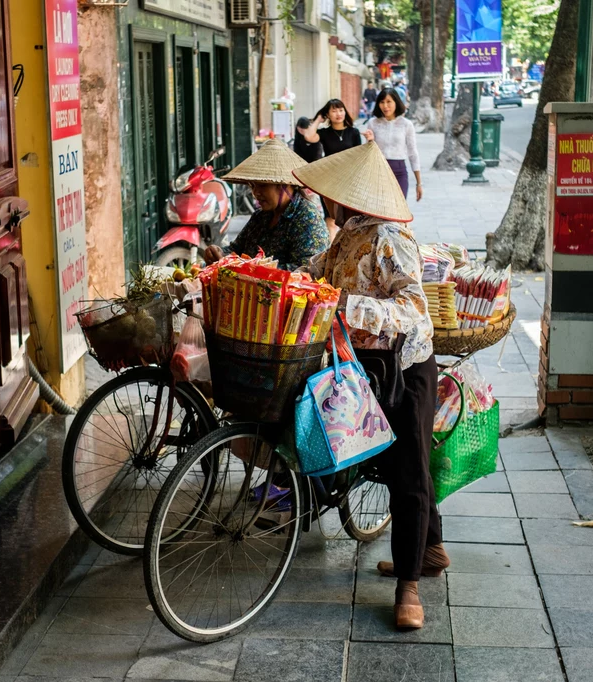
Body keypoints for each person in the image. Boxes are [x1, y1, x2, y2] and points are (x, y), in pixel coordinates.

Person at [293, 142, 446, 631]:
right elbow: (317, 273)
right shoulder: (348, 235)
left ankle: (408, 585)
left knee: (408, 472)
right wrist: (288, 281)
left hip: (405, 368)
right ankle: (432, 547)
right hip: (359, 365)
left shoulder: (391, 239)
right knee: (395, 462)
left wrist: (352, 308)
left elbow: (416, 312)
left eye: (333, 194)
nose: (326, 203)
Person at [202, 138, 328, 271]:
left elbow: (306, 271)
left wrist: (251, 268)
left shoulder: (307, 219)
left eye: (262, 185)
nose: (255, 192)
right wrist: (219, 253)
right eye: (252, 185)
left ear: (284, 184)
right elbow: (236, 250)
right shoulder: (260, 217)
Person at [297, 99, 363, 236]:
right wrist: (318, 120)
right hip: (330, 180)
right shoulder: (324, 133)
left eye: (341, 110)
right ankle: (332, 253)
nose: (338, 113)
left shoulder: (354, 132)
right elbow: (308, 136)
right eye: (334, 110)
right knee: (331, 219)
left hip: (349, 181)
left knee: (351, 219)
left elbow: (360, 157)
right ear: (328, 114)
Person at [363, 87, 422, 201]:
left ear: (396, 102)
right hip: (378, 171)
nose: (385, 106)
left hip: (399, 172)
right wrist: (370, 141)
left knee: (399, 211)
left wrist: (419, 183)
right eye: (382, 102)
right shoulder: (373, 123)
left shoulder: (406, 124)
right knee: (381, 213)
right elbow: (368, 153)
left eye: (389, 102)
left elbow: (413, 153)